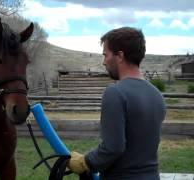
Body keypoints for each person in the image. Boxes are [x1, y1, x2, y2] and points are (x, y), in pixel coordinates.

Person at [67, 27, 166, 180]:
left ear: (119, 56)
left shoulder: (115, 93)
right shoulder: (157, 95)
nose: (104, 62)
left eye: (106, 55)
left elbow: (113, 148)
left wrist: (85, 162)